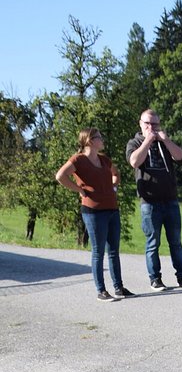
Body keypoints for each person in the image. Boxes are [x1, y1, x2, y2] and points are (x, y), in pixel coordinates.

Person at [55, 128, 134, 302]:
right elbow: (60, 176)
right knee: (98, 252)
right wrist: (79, 189)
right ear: (90, 141)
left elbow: (116, 174)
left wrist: (113, 187)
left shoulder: (104, 159)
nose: (102, 139)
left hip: (112, 209)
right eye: (99, 137)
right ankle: (101, 291)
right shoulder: (78, 160)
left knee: (113, 251)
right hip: (93, 211)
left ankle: (119, 288)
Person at [126, 110, 182, 291]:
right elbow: (134, 161)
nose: (151, 127)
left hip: (170, 200)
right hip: (149, 202)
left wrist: (166, 140)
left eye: (155, 124)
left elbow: (179, 156)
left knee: (176, 242)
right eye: (147, 124)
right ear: (140, 124)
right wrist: (147, 141)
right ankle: (155, 279)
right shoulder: (134, 143)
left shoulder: (164, 142)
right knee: (153, 243)